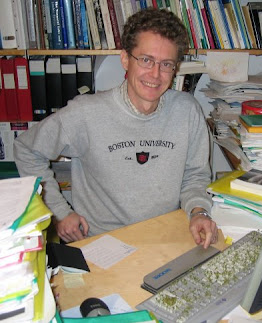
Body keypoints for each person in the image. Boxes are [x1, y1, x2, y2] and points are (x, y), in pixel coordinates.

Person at [13, 8, 218, 248]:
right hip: (103, 243)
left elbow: (195, 175)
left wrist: (199, 212)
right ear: (124, 59)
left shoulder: (187, 111)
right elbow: (26, 150)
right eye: (146, 60)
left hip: (166, 236)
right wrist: (58, 211)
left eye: (166, 64)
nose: (155, 73)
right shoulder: (86, 113)